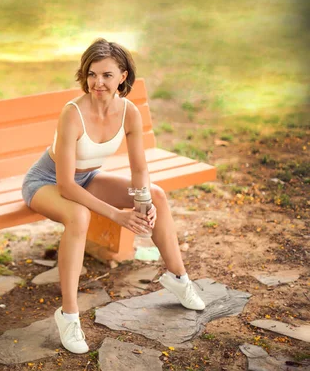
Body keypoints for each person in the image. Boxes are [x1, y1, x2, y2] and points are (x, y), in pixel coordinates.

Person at [21, 38, 205, 354]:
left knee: (157, 195)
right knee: (79, 216)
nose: (98, 83)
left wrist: (143, 201)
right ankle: (68, 315)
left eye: (107, 75)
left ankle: (178, 277)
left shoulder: (129, 113)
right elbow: (65, 186)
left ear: (122, 75)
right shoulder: (73, 113)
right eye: (92, 74)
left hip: (88, 178)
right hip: (46, 182)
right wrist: (117, 215)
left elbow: (139, 169)